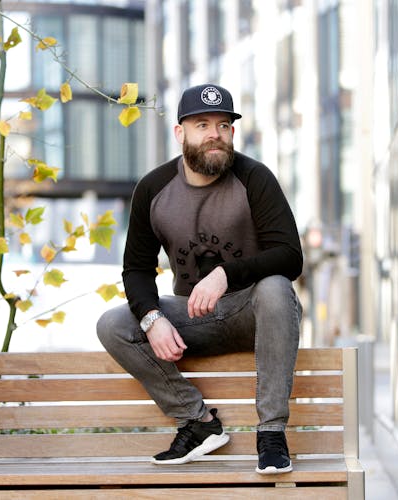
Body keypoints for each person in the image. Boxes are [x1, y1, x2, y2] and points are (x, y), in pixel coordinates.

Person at [97, 83, 303, 474]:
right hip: (195, 320)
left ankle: (272, 434)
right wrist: (152, 319)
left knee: (277, 286)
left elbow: (290, 256)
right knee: (114, 324)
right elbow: (137, 269)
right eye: (202, 124)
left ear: (232, 133)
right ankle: (198, 422)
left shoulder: (255, 178)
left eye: (223, 125)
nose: (215, 134)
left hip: (256, 314)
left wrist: (227, 274)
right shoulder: (154, 189)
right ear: (180, 133)